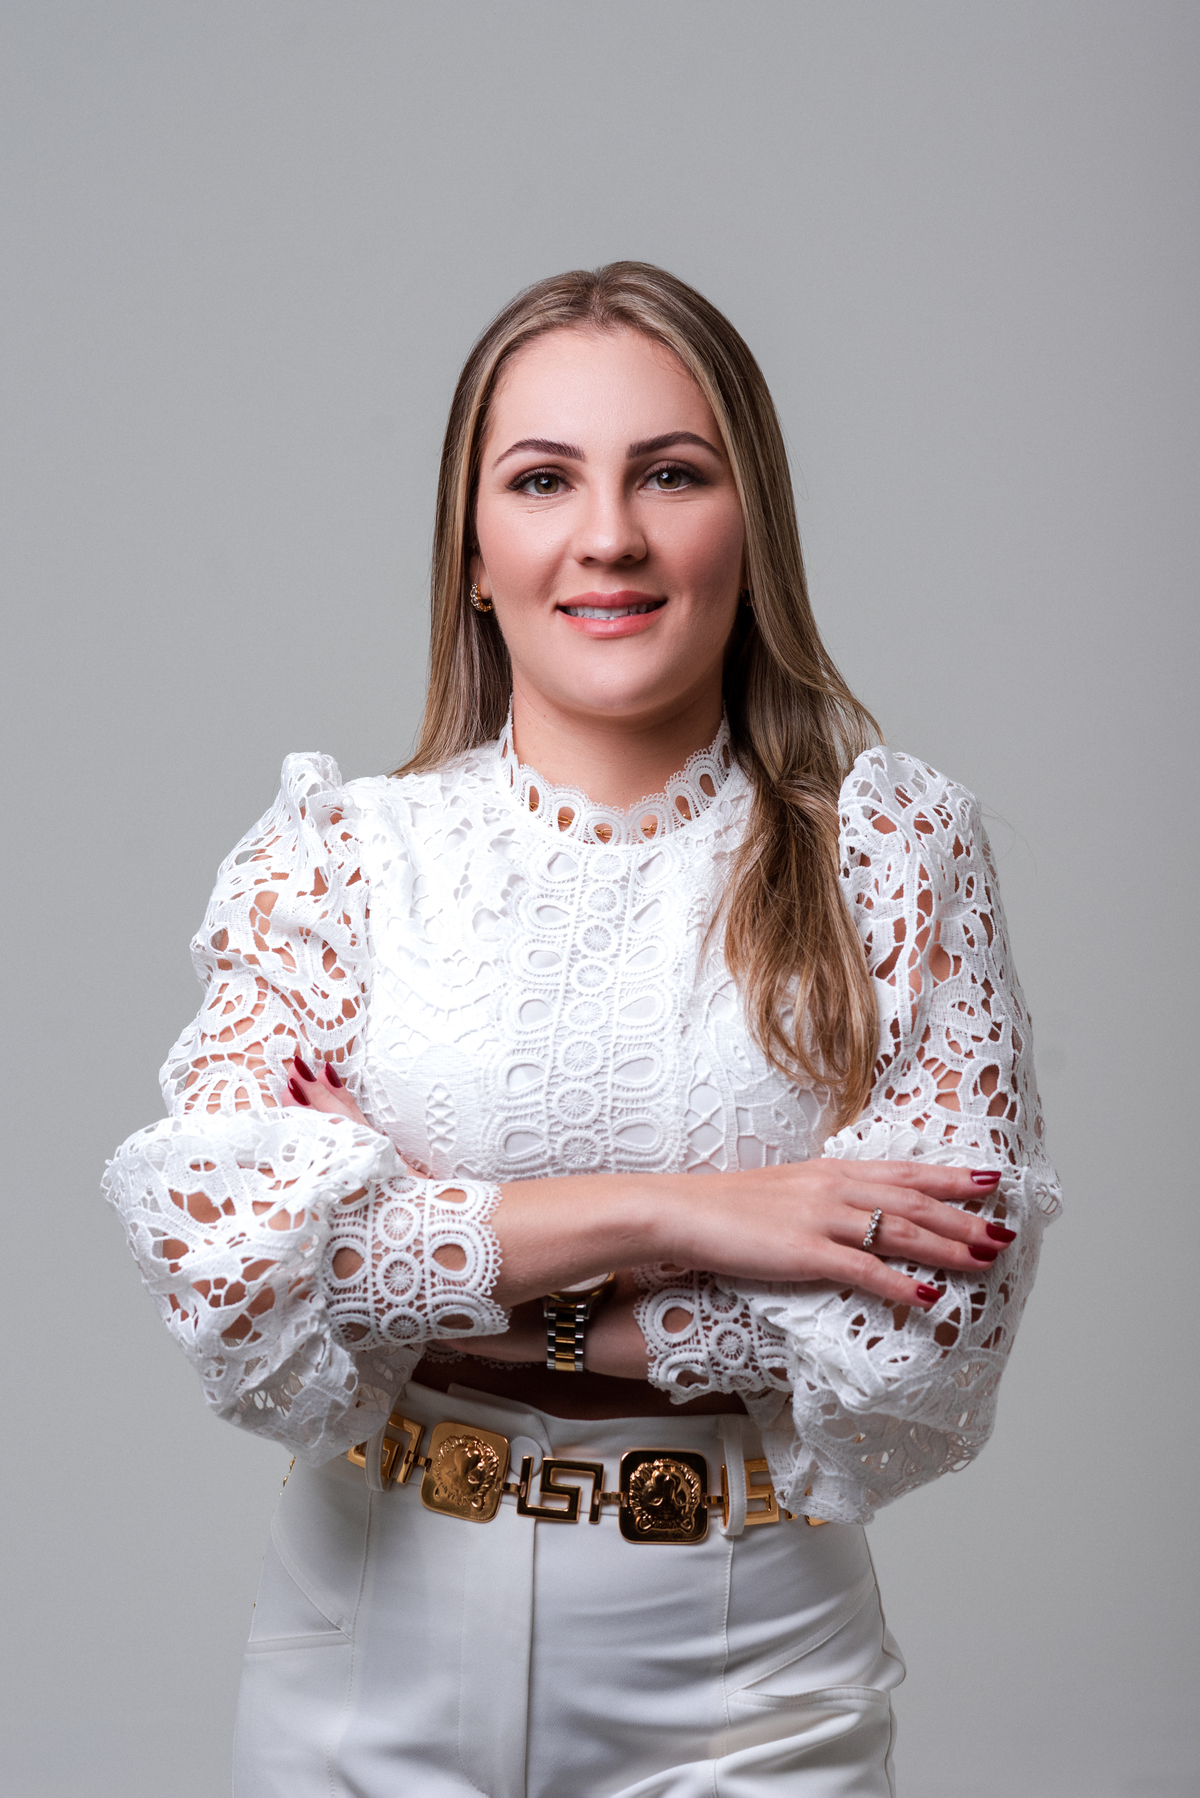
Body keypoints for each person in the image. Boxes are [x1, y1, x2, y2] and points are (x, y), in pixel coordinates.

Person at [105, 261, 1060, 1797]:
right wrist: (699, 1213)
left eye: (670, 472)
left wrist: (448, 1266)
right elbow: (240, 1276)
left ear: (751, 525)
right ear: (474, 552)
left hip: (751, 1670)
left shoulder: (891, 858)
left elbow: (927, 1326)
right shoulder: (334, 866)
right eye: (543, 478)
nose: (607, 534)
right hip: (366, 1643)